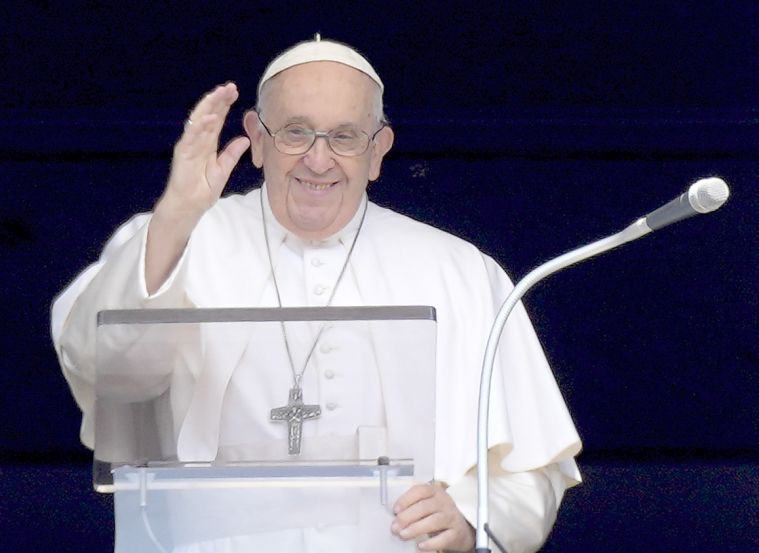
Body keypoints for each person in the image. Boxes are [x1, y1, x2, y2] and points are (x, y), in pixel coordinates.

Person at [52, 36, 582, 553]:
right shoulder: (175, 239)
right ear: (257, 140)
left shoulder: (458, 270)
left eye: (345, 137)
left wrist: (472, 516)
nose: (318, 160)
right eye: (295, 133)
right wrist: (174, 216)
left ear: (378, 152)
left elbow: (531, 469)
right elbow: (110, 368)